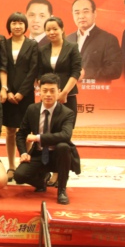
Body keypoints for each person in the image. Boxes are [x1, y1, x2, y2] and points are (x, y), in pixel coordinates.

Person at [13, 73, 81, 205]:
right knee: (19, 176)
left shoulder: (67, 113)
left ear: (59, 91)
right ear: (39, 91)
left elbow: (65, 135)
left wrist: (38, 138)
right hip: (39, 154)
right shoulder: (32, 109)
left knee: (63, 146)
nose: (48, 94)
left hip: (58, 155)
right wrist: (23, 153)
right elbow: (21, 134)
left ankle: (61, 190)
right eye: (45, 90)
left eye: (52, 91)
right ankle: (41, 181)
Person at [38, 16, 82, 188]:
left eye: (55, 29)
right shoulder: (43, 49)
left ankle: (59, 173)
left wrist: (64, 92)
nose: (51, 32)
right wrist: (46, 93)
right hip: (48, 99)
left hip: (67, 97)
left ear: (62, 29)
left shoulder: (72, 47)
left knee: (63, 137)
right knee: (48, 132)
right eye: (48, 30)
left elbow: (76, 71)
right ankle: (46, 168)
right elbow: (40, 73)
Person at [2, 12, 38, 183]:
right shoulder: (4, 44)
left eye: (20, 23)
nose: (17, 26)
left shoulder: (32, 44)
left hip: (26, 95)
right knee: (10, 131)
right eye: (14, 23)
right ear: (9, 26)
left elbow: (33, 70)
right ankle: (11, 165)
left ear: (25, 26)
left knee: (25, 131)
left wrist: (22, 92)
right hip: (8, 94)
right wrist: (8, 91)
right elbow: (2, 67)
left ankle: (24, 163)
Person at [66, 0, 123, 83]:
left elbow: (115, 70)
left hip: (95, 90)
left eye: (86, 12)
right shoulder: (67, 39)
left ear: (94, 13)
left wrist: (86, 74)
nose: (81, 16)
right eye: (77, 13)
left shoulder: (108, 39)